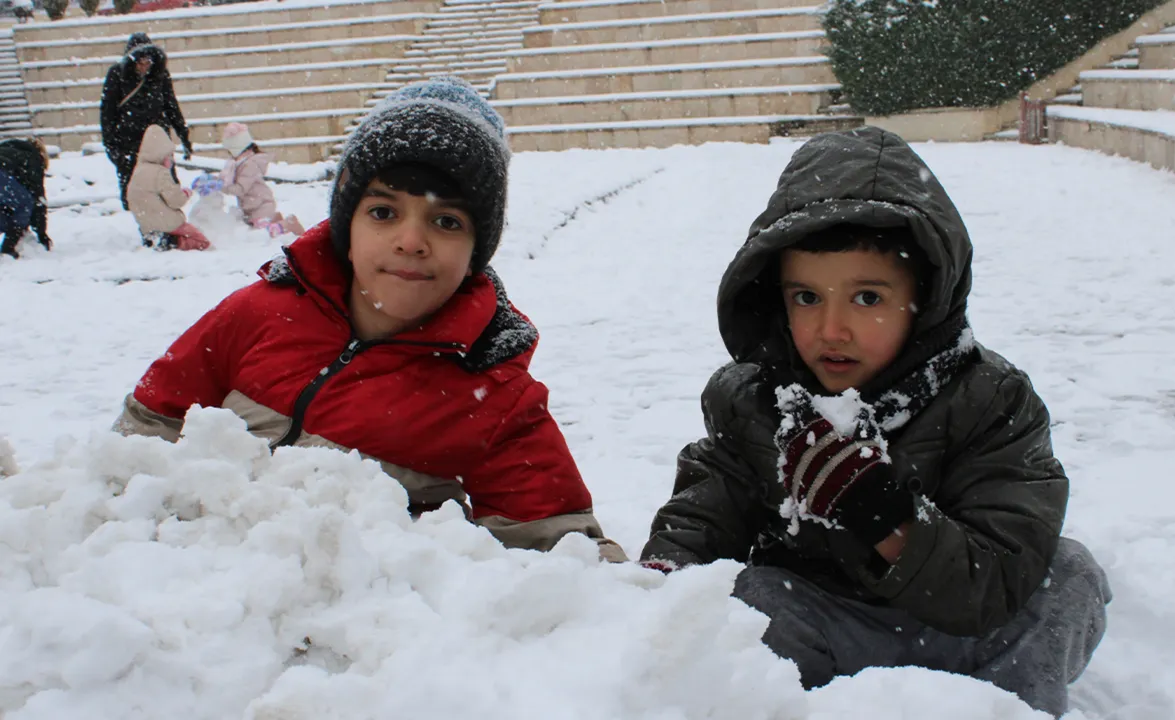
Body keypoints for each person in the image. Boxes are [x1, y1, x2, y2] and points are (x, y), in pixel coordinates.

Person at [639, 127, 1110, 717]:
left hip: (964, 636)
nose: (832, 329)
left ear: (926, 297)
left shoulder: (991, 400)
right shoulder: (758, 401)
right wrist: (667, 580)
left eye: (867, 299)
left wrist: (885, 519)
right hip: (823, 628)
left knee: (1066, 577)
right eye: (806, 298)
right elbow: (706, 511)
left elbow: (996, 574)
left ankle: (1007, 712)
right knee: (747, 601)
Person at [112, 77, 625, 562]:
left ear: (476, 253)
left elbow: (564, 562)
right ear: (346, 227)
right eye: (383, 212)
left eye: (447, 221)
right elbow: (134, 443)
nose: (410, 240)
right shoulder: (256, 313)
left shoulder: (495, 392)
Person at [100, 34, 192, 210]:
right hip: (130, 142)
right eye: (139, 63)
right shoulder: (116, 75)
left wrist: (183, 134)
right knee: (138, 194)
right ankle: (149, 229)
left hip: (157, 141)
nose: (144, 67)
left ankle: (168, 226)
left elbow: (171, 105)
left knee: (166, 188)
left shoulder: (160, 75)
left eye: (147, 62)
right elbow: (107, 113)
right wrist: (112, 146)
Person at [126, 125, 210, 251]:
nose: (171, 160)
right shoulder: (160, 173)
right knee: (201, 241)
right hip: (166, 223)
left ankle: (153, 238)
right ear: (161, 155)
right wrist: (185, 194)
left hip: (145, 224)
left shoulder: (138, 170)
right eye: (169, 156)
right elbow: (175, 201)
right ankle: (171, 242)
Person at [219, 122, 305, 237]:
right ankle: (275, 219)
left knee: (264, 233)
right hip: (252, 206)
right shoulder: (240, 163)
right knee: (256, 229)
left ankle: (290, 223)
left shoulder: (249, 164)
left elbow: (241, 189)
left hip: (261, 205)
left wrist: (222, 187)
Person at [0, 137, 52, 259]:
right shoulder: (32, 158)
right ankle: (8, 248)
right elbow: (38, 200)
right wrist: (41, 233)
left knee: (5, 211)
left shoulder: (9, 150)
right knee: (25, 204)